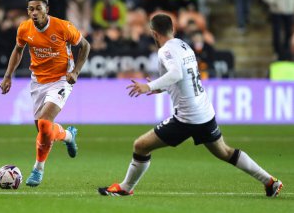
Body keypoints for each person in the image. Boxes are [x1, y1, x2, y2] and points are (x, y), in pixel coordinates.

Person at [98, 14, 283, 197]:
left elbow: (177, 73)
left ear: (154, 33)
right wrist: (159, 88)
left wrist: (148, 85)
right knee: (225, 152)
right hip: (204, 111)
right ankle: (270, 181)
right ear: (173, 29)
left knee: (140, 146)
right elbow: (182, 78)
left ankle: (126, 187)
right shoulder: (183, 45)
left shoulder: (165, 51)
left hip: (187, 117)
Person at [0, 0, 90, 187]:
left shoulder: (63, 26)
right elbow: (18, 50)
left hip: (61, 80)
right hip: (38, 82)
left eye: (38, 8)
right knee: (45, 132)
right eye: (30, 9)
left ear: (46, 10)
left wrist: (76, 71)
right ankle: (68, 135)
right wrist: (8, 76)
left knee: (44, 124)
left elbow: (85, 46)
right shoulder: (24, 29)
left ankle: (37, 170)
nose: (34, 12)